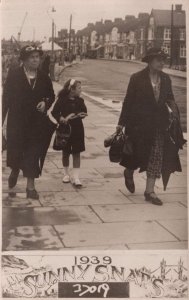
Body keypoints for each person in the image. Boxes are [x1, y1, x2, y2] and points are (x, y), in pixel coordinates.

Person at [116, 47, 185, 206]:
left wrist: (174, 113)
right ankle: (128, 171)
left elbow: (170, 99)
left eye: (163, 60)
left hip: (158, 124)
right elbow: (128, 102)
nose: (162, 63)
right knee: (136, 156)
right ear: (150, 61)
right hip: (137, 125)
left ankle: (150, 191)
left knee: (155, 156)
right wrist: (121, 123)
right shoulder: (136, 78)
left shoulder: (166, 79)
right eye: (158, 60)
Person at [2, 45, 55, 199]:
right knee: (16, 151)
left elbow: (51, 95)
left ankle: (30, 187)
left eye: (37, 57)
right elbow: (5, 99)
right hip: (17, 122)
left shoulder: (44, 77)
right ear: (24, 60)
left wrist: (46, 102)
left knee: (33, 153)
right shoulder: (14, 75)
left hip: (36, 123)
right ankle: (15, 169)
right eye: (31, 57)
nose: (35, 60)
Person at [51, 79, 87, 187]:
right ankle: (66, 174)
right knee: (65, 151)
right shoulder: (62, 100)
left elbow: (84, 112)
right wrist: (61, 118)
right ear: (72, 89)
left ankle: (76, 177)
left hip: (77, 129)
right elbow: (55, 112)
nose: (81, 90)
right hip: (65, 129)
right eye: (79, 88)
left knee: (77, 152)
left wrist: (81, 114)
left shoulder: (80, 101)